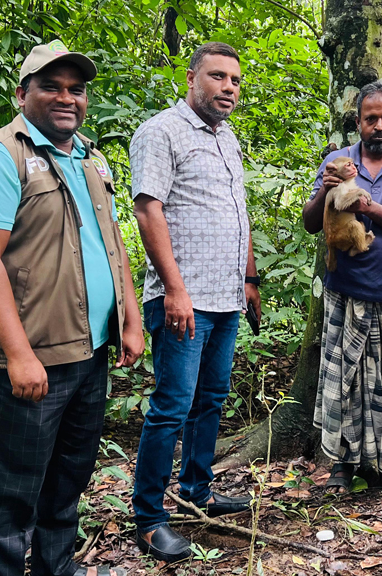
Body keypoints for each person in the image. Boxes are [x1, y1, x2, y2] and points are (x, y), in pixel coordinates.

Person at [0, 40, 143, 576]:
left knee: (69, 478)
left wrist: (129, 317)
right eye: (52, 87)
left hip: (89, 350)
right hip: (31, 359)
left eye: (76, 90)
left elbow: (113, 243)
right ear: (23, 93)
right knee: (13, 489)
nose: (67, 98)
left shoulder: (90, 156)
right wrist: (17, 354)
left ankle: (57, 568)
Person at [129, 41, 260, 562]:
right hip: (183, 298)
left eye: (234, 80)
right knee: (172, 406)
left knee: (211, 398)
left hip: (226, 297)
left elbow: (237, 212)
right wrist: (175, 289)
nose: (228, 88)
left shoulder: (228, 140)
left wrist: (249, 279)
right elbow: (147, 212)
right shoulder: (160, 132)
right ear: (191, 78)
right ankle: (148, 517)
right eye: (218, 77)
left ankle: (197, 488)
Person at [302, 81, 382, 498]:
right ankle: (343, 463)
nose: (379, 125)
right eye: (370, 118)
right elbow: (310, 223)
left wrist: (369, 208)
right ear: (357, 121)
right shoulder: (337, 160)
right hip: (342, 292)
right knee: (342, 383)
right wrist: (325, 189)